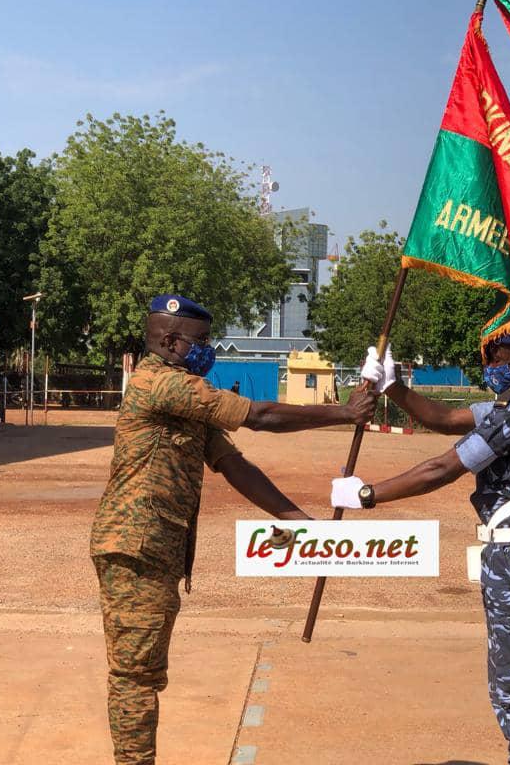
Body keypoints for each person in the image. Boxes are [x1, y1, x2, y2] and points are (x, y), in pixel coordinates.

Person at [91, 294, 376, 765]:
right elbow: (258, 417)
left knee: (145, 672)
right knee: (135, 676)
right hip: (134, 548)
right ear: (168, 340)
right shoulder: (158, 384)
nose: (209, 350)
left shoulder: (182, 398)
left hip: (154, 549)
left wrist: (296, 522)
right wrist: (343, 414)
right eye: (200, 341)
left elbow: (232, 464)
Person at [333, 317, 510, 765]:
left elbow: (440, 470)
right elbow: (443, 419)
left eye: (497, 357)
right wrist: (393, 386)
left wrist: (367, 495)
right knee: (509, 682)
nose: (490, 363)